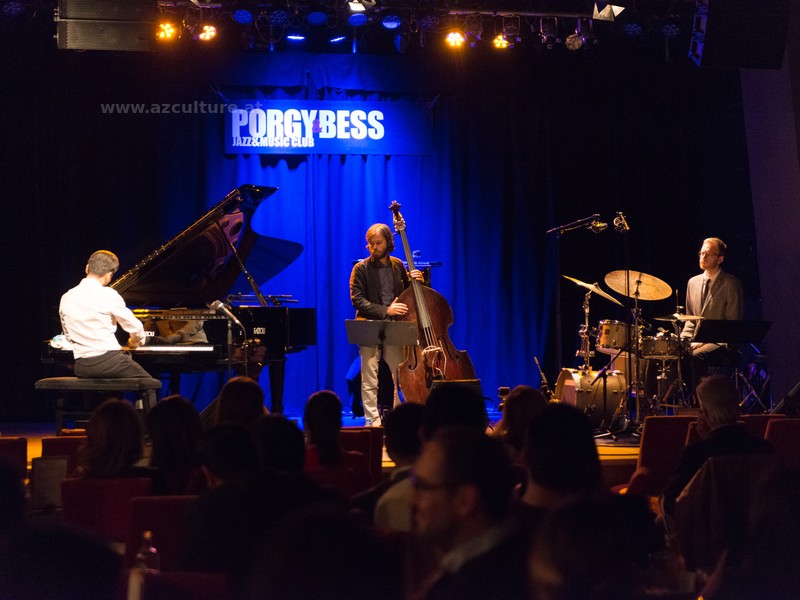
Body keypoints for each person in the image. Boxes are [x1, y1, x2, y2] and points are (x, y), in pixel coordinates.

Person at [408, 425, 527, 600]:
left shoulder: (476, 588)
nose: (411, 500)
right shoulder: (521, 557)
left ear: (465, 500)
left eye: (422, 487)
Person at [660, 374, 773, 516]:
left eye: (701, 410)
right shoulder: (764, 448)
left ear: (706, 413)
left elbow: (670, 504)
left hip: (708, 528)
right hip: (756, 528)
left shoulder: (696, 454)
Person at [350, 223, 423, 427]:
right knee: (369, 377)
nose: (374, 247)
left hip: (395, 326)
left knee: (399, 376)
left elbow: (409, 295)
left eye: (378, 243)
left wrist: (418, 281)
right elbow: (357, 300)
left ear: (389, 243)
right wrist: (386, 310)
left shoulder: (398, 265)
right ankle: (371, 420)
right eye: (371, 243)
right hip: (369, 324)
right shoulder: (361, 268)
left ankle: (398, 419)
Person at [59, 250, 153, 380]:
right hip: (109, 362)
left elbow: (68, 336)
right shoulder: (108, 294)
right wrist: (135, 341)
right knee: (150, 383)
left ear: (87, 268)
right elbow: (135, 327)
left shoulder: (66, 297)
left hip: (82, 366)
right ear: (108, 275)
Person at [680, 238, 744, 392]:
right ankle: (680, 400)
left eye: (709, 254)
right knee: (670, 353)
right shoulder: (692, 282)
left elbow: (732, 323)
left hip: (721, 342)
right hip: (697, 341)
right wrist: (683, 339)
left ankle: (701, 403)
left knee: (696, 356)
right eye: (701, 253)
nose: (703, 257)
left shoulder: (731, 283)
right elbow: (690, 319)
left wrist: (703, 340)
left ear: (720, 259)